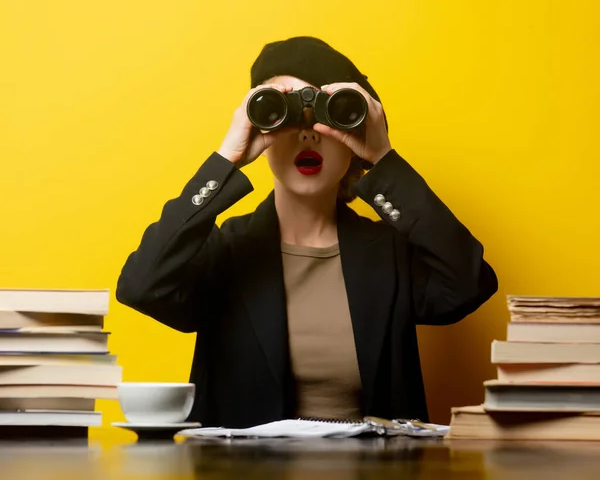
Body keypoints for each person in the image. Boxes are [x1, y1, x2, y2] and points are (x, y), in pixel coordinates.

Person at [116, 36, 498, 428]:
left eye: (328, 117)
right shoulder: (226, 253)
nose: (308, 133)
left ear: (355, 135)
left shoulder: (389, 254)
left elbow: (468, 282)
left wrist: (384, 159)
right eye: (286, 113)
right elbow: (141, 285)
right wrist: (226, 160)